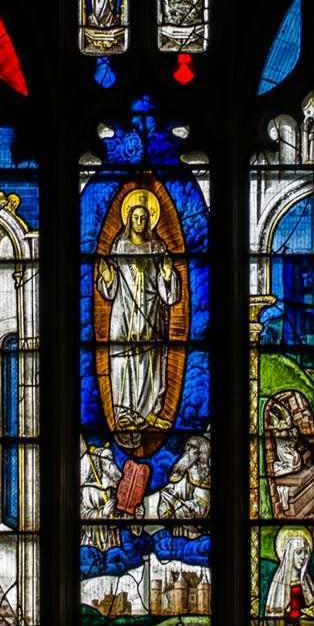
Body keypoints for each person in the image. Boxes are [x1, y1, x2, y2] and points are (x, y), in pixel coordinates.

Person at [96, 188, 181, 442]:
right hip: (123, 314)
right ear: (128, 219)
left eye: (144, 218)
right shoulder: (119, 246)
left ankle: (148, 412)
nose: (140, 222)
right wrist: (108, 278)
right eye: (136, 217)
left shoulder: (158, 247)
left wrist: (167, 274)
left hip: (152, 314)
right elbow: (109, 291)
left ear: (149, 221)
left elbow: (169, 294)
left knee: (150, 364)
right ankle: (124, 413)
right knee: (122, 362)